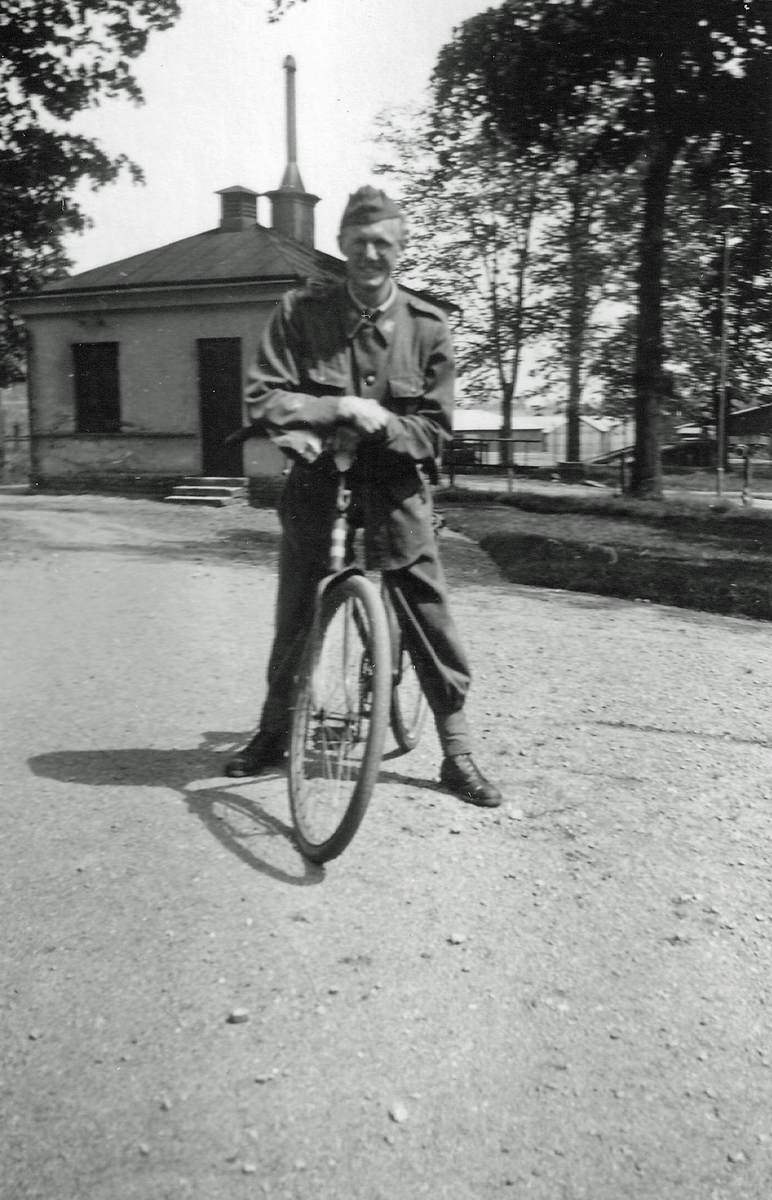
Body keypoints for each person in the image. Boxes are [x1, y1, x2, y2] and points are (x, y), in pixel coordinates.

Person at [225, 185, 502, 808]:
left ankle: (456, 751)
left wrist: (385, 424)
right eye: (358, 243)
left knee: (428, 616)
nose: (370, 255)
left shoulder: (429, 328)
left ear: (401, 248)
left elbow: (436, 428)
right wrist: (335, 406)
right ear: (342, 247)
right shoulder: (301, 313)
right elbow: (262, 397)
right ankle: (274, 731)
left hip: (396, 494)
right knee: (298, 613)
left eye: (383, 243)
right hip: (318, 488)